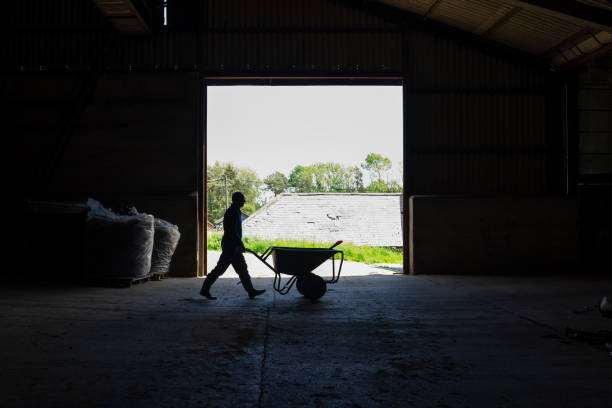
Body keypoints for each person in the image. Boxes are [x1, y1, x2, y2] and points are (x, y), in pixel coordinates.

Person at [200, 191, 266, 300]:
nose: (244, 201)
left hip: (233, 246)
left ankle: (251, 291)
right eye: (242, 199)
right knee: (220, 269)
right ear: (236, 200)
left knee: (242, 269)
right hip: (231, 246)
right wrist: (240, 243)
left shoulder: (235, 211)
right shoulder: (232, 212)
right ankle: (204, 289)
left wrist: (239, 244)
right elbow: (232, 231)